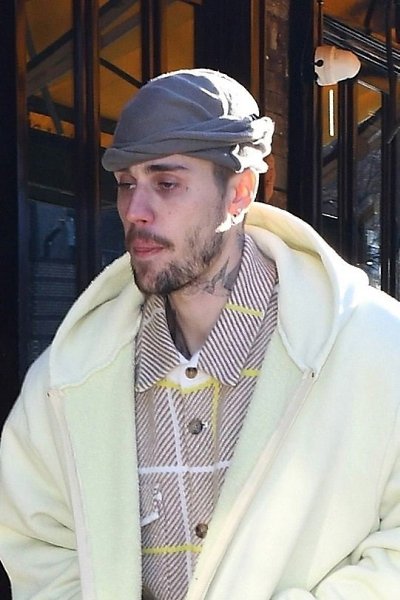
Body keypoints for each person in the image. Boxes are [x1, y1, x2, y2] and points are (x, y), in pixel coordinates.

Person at [0, 68, 400, 600]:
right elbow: (37, 545)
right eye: (126, 185)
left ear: (240, 191)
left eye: (166, 183)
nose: (135, 212)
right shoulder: (66, 378)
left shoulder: (375, 347)